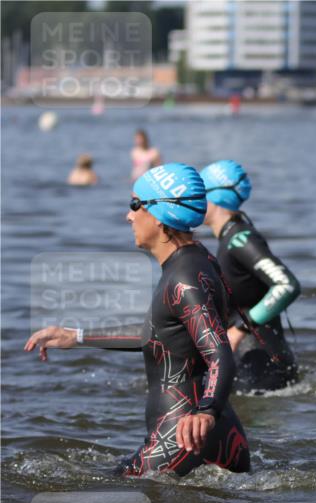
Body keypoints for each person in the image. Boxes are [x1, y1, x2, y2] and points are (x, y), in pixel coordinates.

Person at [24, 163, 250, 477]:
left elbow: (219, 352)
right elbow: (160, 334)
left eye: (135, 205)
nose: (128, 216)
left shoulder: (183, 279)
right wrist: (73, 337)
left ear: (160, 216)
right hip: (219, 431)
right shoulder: (196, 260)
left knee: (92, 494)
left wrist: (206, 412)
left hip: (184, 434)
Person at [200, 160, 301, 391]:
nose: (194, 203)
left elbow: (287, 285)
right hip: (252, 363)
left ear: (215, 197)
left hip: (264, 368)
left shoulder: (240, 239)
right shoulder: (229, 239)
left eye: (200, 194)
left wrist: (240, 329)